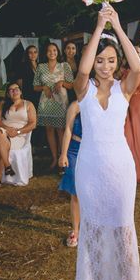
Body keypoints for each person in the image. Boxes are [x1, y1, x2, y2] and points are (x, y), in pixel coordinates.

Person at [73, 3, 140, 280]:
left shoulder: (124, 89)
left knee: (122, 228)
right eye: (101, 60)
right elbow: (83, 70)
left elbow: (138, 67)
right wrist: (99, 26)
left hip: (120, 169)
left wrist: (117, 26)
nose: (105, 66)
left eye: (111, 61)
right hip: (89, 169)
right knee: (94, 228)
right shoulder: (83, 90)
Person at [33, 42, 74, 172]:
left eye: (55, 50)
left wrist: (62, 82)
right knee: (49, 130)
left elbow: (72, 85)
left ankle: (63, 158)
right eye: (49, 51)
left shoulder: (64, 66)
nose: (52, 53)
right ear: (46, 53)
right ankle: (54, 158)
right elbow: (35, 86)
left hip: (61, 102)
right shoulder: (41, 67)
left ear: (58, 52)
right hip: (46, 103)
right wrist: (44, 87)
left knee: (61, 130)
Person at [0, 82, 37, 188]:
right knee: (1, 134)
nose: (14, 91)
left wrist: (18, 132)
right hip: (1, 131)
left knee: (1, 146)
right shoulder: (3, 103)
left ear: (20, 91)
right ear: (7, 94)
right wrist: (7, 129)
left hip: (19, 135)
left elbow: (33, 124)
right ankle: (7, 165)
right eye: (11, 90)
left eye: (16, 89)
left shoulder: (28, 104)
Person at [58, 101, 81, 247]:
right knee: (76, 192)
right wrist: (63, 154)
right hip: (74, 150)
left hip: (94, 150)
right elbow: (68, 130)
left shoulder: (101, 103)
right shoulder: (75, 106)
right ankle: (76, 231)